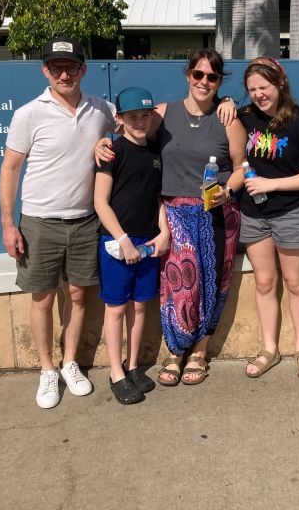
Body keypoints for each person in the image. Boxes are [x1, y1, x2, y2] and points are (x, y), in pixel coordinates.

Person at [95, 48, 244, 386]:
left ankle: (199, 352)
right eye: (198, 75)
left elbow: (241, 168)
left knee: (211, 284)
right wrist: (102, 142)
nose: (204, 82)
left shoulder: (228, 119)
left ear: (219, 81)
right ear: (188, 75)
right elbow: (129, 136)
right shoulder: (163, 113)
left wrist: (228, 191)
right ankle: (175, 349)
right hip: (172, 215)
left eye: (212, 77)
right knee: (178, 285)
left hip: (215, 212)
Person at [0, 36, 116, 409]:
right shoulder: (29, 113)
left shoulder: (103, 111)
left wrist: (223, 103)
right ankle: (47, 370)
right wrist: (8, 224)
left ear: (83, 69)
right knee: (43, 299)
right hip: (39, 222)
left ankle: (70, 364)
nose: (64, 73)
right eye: (56, 67)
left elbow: (145, 118)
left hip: (85, 221)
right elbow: (10, 169)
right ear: (45, 70)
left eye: (71, 66)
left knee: (80, 296)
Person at [238, 57, 299, 379]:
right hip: (254, 215)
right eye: (252, 89)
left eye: (264, 87)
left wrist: (271, 183)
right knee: (264, 282)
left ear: (280, 84)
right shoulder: (243, 117)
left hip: (291, 213)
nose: (259, 94)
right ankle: (269, 349)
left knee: (295, 283)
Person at [94, 87, 170, 404]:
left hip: (148, 242)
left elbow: (159, 199)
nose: (139, 121)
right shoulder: (113, 151)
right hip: (116, 242)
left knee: (140, 306)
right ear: (120, 119)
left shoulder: (156, 155)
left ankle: (134, 365)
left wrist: (164, 232)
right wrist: (122, 239)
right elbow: (100, 201)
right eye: (132, 116)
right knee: (116, 308)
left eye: (145, 115)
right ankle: (116, 373)